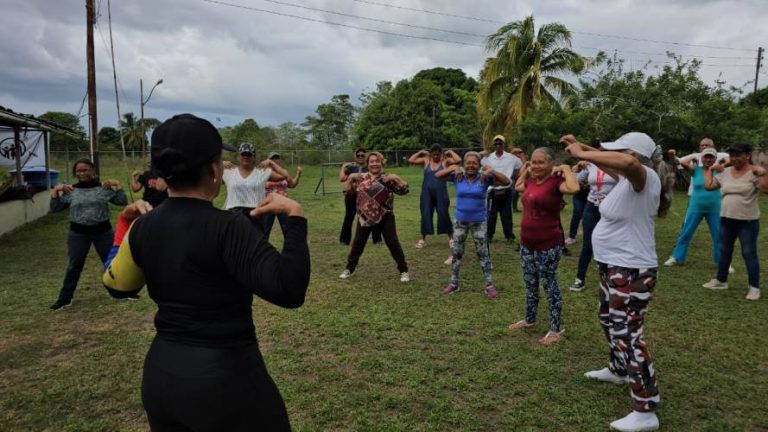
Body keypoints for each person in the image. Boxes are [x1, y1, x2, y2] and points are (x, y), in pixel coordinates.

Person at [102, 113, 311, 431]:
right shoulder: (230, 228)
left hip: (162, 377)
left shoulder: (143, 225)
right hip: (227, 381)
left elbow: (117, 286)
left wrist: (122, 227)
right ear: (215, 170)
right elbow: (289, 289)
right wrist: (295, 219)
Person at [561, 132, 668, 432]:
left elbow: (624, 162)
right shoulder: (625, 180)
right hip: (613, 265)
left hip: (632, 269)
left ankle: (646, 409)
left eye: (618, 151)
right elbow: (615, 163)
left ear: (634, 155)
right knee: (608, 319)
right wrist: (581, 148)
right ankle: (619, 369)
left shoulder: (643, 176)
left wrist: (584, 152)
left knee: (628, 334)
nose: (611, 156)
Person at [507, 148, 580, 345]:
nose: (536, 165)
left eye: (540, 162)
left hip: (548, 243)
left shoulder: (556, 182)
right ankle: (529, 319)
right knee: (530, 282)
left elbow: (574, 189)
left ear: (550, 164)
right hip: (526, 242)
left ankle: (555, 328)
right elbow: (518, 186)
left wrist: (565, 168)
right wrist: (526, 169)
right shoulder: (531, 180)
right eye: (533, 162)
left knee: (549, 284)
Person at [49, 158, 128, 310]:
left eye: (85, 170)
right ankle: (64, 299)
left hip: (103, 232)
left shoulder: (103, 188)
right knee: (74, 265)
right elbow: (55, 208)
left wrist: (117, 185)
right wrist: (55, 191)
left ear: (93, 171)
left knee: (112, 263)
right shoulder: (71, 190)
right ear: (75, 173)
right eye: (78, 170)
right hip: (78, 234)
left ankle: (120, 292)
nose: (82, 173)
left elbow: (121, 201)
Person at [435, 151, 511, 297]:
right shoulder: (457, 177)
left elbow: (506, 182)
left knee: (483, 254)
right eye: (468, 163)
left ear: (479, 165)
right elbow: (437, 175)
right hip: (460, 221)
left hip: (479, 222)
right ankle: (453, 283)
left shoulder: (485, 178)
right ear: (464, 164)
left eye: (474, 163)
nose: (471, 166)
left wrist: (490, 170)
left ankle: (489, 285)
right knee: (457, 253)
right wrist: (453, 167)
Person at [702, 142, 768, 300]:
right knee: (724, 250)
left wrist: (763, 173)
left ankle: (754, 287)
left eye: (739, 155)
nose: (735, 158)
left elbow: (766, 190)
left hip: (747, 221)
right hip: (726, 219)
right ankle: (721, 280)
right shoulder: (726, 172)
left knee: (749, 252)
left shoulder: (754, 172)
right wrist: (710, 169)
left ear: (748, 155)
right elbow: (709, 186)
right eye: (732, 155)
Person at [339, 152, 410, 282]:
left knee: (392, 242)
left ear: (381, 163)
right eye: (372, 161)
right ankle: (349, 268)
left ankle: (404, 270)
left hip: (385, 215)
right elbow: (348, 193)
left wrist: (397, 178)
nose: (374, 164)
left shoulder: (387, 178)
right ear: (368, 164)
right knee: (358, 243)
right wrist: (349, 180)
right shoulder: (360, 178)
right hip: (365, 216)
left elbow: (404, 191)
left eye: (377, 161)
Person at [664, 148, 730, 271]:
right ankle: (676, 257)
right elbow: (683, 163)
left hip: (715, 208)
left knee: (718, 236)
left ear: (715, 159)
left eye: (711, 157)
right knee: (686, 233)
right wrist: (694, 158)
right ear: (701, 158)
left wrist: (721, 162)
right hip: (695, 207)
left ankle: (722, 261)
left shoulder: (719, 171)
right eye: (706, 157)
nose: (708, 159)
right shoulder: (695, 170)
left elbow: (729, 159)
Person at [568, 160, 618, 292]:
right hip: (591, 206)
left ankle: (610, 279)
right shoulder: (590, 165)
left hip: (612, 207)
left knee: (610, 242)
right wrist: (577, 169)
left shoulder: (617, 164)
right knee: (588, 243)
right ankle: (580, 279)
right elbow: (576, 181)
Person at [222, 143, 288, 234]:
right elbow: (209, 179)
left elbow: (284, 175)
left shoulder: (262, 172)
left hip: (256, 214)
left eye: (249, 155)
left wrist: (271, 163)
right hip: (234, 213)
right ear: (238, 157)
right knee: (235, 245)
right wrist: (219, 164)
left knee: (254, 245)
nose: (246, 157)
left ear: (254, 158)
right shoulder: (229, 172)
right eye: (243, 154)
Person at [408, 143, 460, 250]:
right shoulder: (426, 161)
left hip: (441, 192)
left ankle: (451, 239)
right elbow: (411, 160)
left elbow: (458, 160)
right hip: (426, 193)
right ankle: (423, 240)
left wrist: (450, 152)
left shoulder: (445, 161)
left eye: (438, 154)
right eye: (433, 154)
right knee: (425, 214)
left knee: (443, 213)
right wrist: (420, 152)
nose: (436, 157)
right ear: (430, 154)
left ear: (441, 153)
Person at [481, 135, 522, 244]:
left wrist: (512, 177)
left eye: (500, 143)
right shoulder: (488, 158)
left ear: (504, 144)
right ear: (494, 145)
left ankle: (509, 236)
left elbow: (519, 168)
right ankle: (489, 235)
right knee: (491, 215)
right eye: (496, 144)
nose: (498, 145)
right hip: (492, 190)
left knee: (506, 214)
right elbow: (482, 168)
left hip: (506, 189)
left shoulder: (512, 158)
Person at [339, 148, 382, 245]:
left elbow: (376, 175)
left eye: (362, 155)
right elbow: (342, 179)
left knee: (373, 215)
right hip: (352, 195)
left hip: (366, 196)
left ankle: (377, 239)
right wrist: (343, 166)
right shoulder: (351, 167)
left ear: (365, 156)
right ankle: (344, 240)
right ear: (356, 156)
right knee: (349, 217)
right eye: (358, 155)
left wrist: (356, 175)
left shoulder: (370, 166)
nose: (360, 157)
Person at [263, 151, 302, 240]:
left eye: (277, 158)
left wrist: (298, 175)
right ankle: (262, 252)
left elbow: (292, 185)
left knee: (287, 230)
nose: (275, 160)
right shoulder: (264, 172)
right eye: (273, 158)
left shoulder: (284, 172)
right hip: (268, 204)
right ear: (269, 161)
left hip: (283, 205)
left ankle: (290, 251)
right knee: (265, 230)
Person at [510, 147, 527, 211]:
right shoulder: (510, 159)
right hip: (512, 178)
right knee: (514, 192)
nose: (518, 154)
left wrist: (522, 157)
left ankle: (516, 207)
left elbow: (526, 166)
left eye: (520, 152)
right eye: (515, 153)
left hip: (521, 178)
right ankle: (513, 207)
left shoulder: (523, 159)